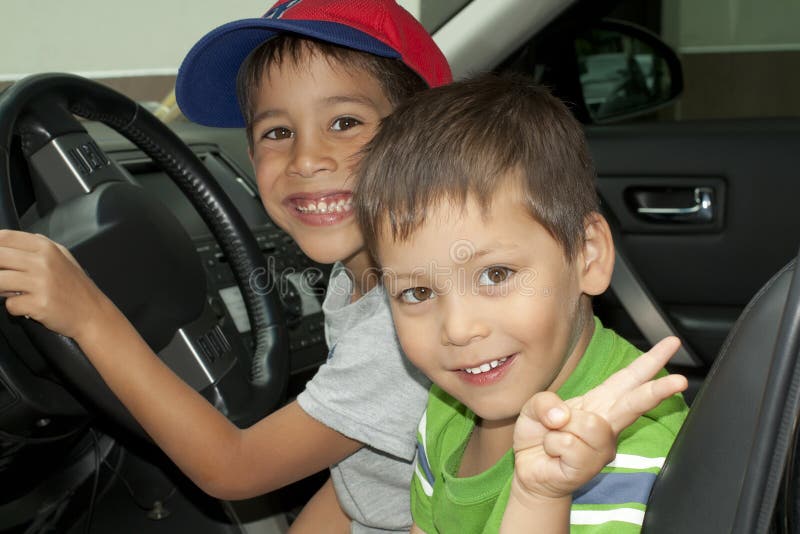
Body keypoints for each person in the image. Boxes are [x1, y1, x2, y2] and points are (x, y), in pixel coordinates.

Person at [0, 1, 451, 532]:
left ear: (431, 140)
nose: (306, 160)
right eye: (277, 132)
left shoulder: (411, 324)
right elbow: (368, 468)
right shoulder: (364, 273)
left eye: (344, 122)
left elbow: (235, 468)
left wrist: (90, 315)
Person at [353, 73, 690, 533]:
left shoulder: (634, 451)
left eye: (495, 275)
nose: (457, 328)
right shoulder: (447, 408)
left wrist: (540, 496)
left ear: (586, 256)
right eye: (418, 293)